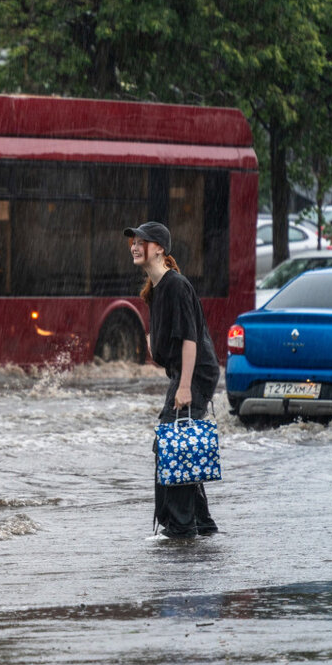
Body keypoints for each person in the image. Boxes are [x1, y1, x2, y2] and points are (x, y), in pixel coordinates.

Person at [125, 221, 220, 539]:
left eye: (142, 242)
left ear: (160, 249)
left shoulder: (176, 285)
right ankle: (201, 523)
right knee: (180, 444)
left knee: (170, 445)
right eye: (133, 242)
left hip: (195, 374)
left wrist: (185, 387)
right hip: (185, 373)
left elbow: (190, 340)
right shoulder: (156, 289)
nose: (135, 247)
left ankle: (180, 527)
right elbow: (166, 349)